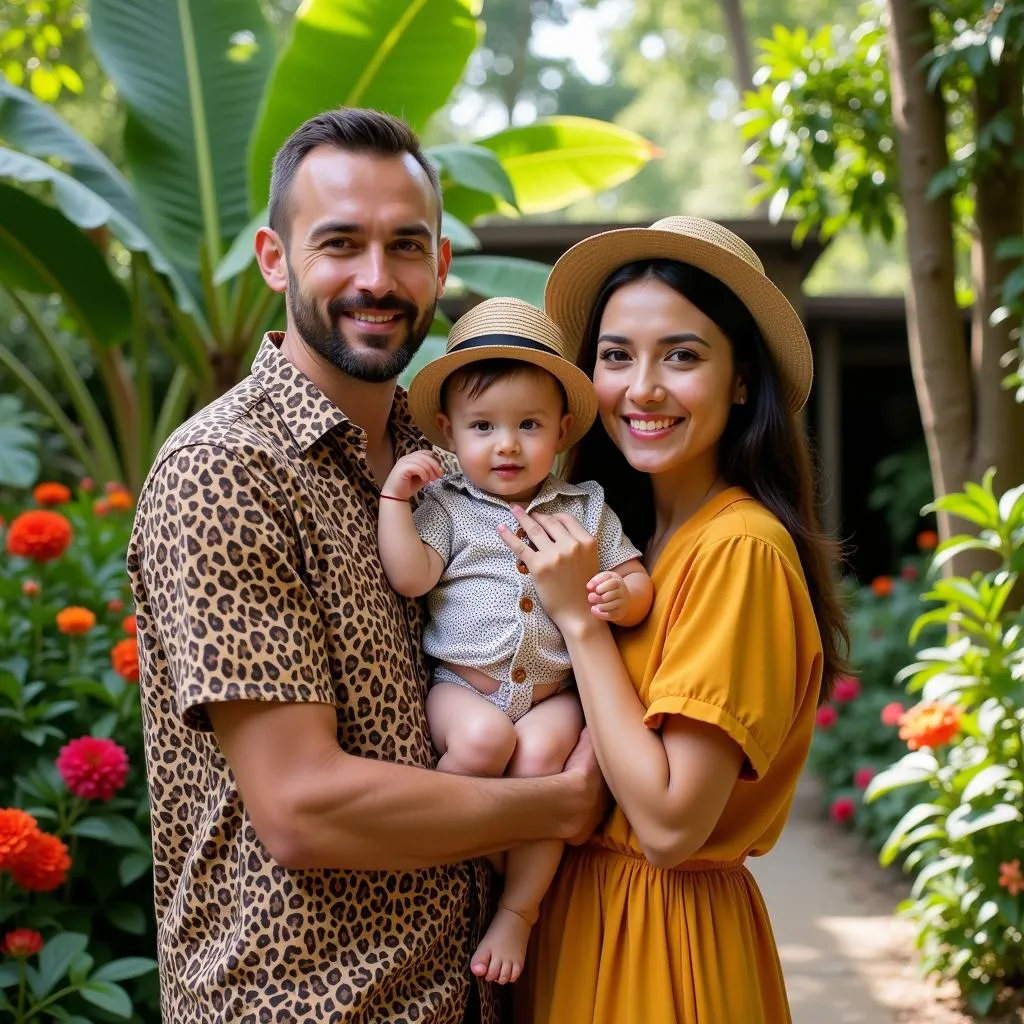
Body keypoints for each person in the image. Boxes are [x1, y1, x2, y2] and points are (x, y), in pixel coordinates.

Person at [126, 108, 605, 1024]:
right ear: (275, 258)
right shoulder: (227, 471)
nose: (377, 280)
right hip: (299, 1006)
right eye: (340, 243)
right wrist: (557, 803)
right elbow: (304, 809)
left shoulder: (454, 461)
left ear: (441, 266)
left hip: (459, 994)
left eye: (406, 246)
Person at [509, 216, 851, 1023]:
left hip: (664, 948)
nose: (644, 388)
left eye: (683, 355)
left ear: (741, 381)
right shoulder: (634, 542)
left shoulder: (740, 551)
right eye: (618, 355)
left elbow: (668, 824)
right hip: (580, 925)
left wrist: (581, 624)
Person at [377, 297, 653, 987]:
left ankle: (518, 910)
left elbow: (632, 572)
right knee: (481, 745)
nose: (506, 445)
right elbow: (411, 579)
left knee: (540, 763)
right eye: (483, 426)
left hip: (552, 691)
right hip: (463, 687)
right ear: (447, 431)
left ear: (561, 431)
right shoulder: (444, 508)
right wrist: (394, 503)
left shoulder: (585, 506)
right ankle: (423, 846)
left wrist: (623, 596)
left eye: (528, 425)